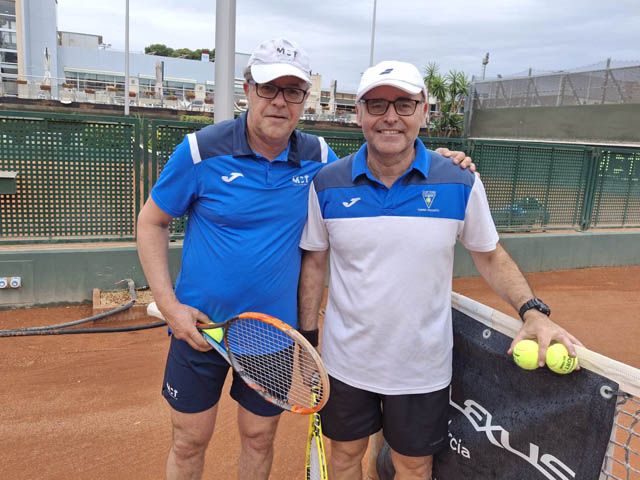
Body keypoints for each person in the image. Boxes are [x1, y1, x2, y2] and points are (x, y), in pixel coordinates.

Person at [136, 39, 474, 480]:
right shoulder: (199, 151)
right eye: (268, 88)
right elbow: (152, 222)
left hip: (272, 335)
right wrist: (170, 306)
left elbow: (380, 162)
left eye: (292, 91)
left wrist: (443, 161)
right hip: (199, 330)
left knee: (259, 438)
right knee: (188, 440)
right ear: (248, 90)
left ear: (304, 100)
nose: (279, 101)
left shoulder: (320, 159)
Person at [297, 60, 583, 480]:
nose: (390, 116)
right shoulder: (326, 183)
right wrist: (307, 340)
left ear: (424, 112)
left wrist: (532, 310)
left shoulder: (460, 181)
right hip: (346, 363)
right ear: (358, 113)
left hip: (422, 368)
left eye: (404, 104)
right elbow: (315, 261)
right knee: (344, 458)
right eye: (376, 104)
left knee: (413, 466)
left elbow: (490, 255)